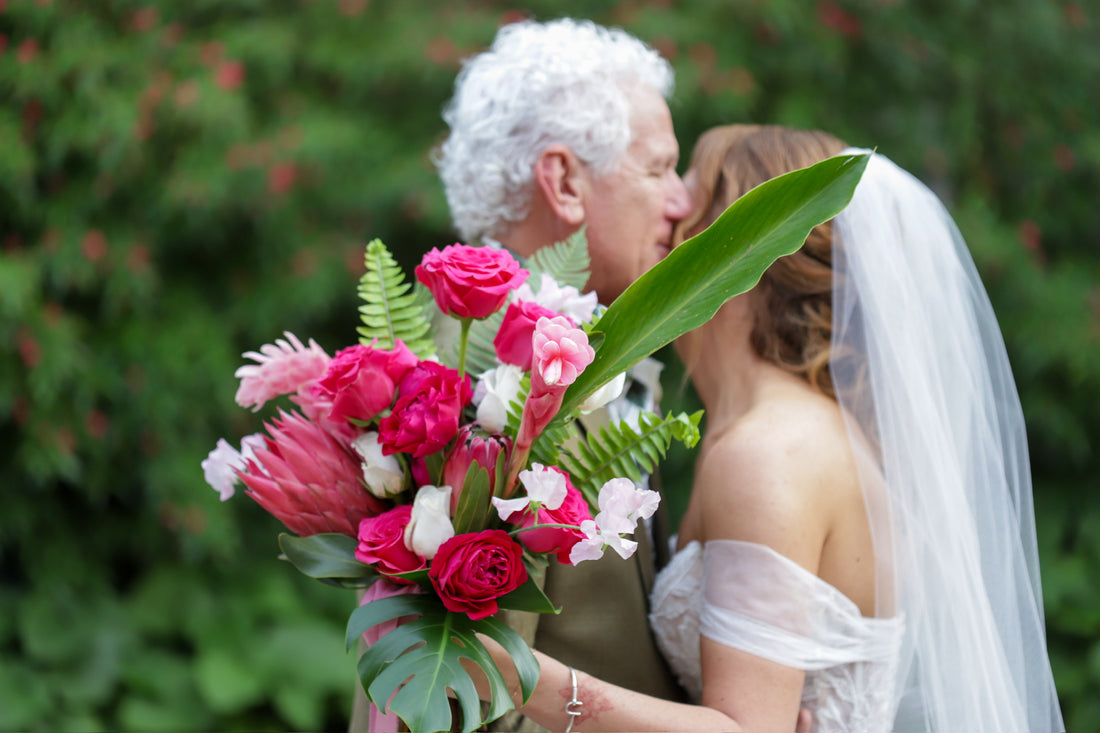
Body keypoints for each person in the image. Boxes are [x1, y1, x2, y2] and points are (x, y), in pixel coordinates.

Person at [478, 124, 1064, 731]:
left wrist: (514, 673)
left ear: (744, 247)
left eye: (691, 195)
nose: (670, 208)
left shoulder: (771, 453)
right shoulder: (784, 434)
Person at [349, 18, 697, 733]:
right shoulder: (468, 396)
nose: (682, 202)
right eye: (659, 168)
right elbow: (463, 697)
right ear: (565, 182)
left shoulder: (583, 356)